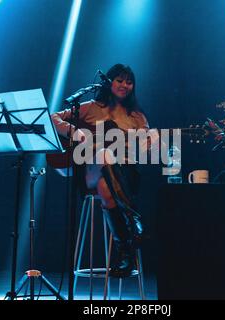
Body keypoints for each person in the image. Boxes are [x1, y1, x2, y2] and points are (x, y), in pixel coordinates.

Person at [51, 64, 150, 277]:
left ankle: (125, 254)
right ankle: (133, 220)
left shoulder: (137, 117)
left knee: (107, 186)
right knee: (104, 153)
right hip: (89, 171)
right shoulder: (91, 106)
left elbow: (142, 150)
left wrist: (147, 144)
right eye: (120, 80)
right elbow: (53, 117)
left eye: (129, 81)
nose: (125, 85)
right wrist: (74, 132)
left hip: (125, 174)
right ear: (109, 82)